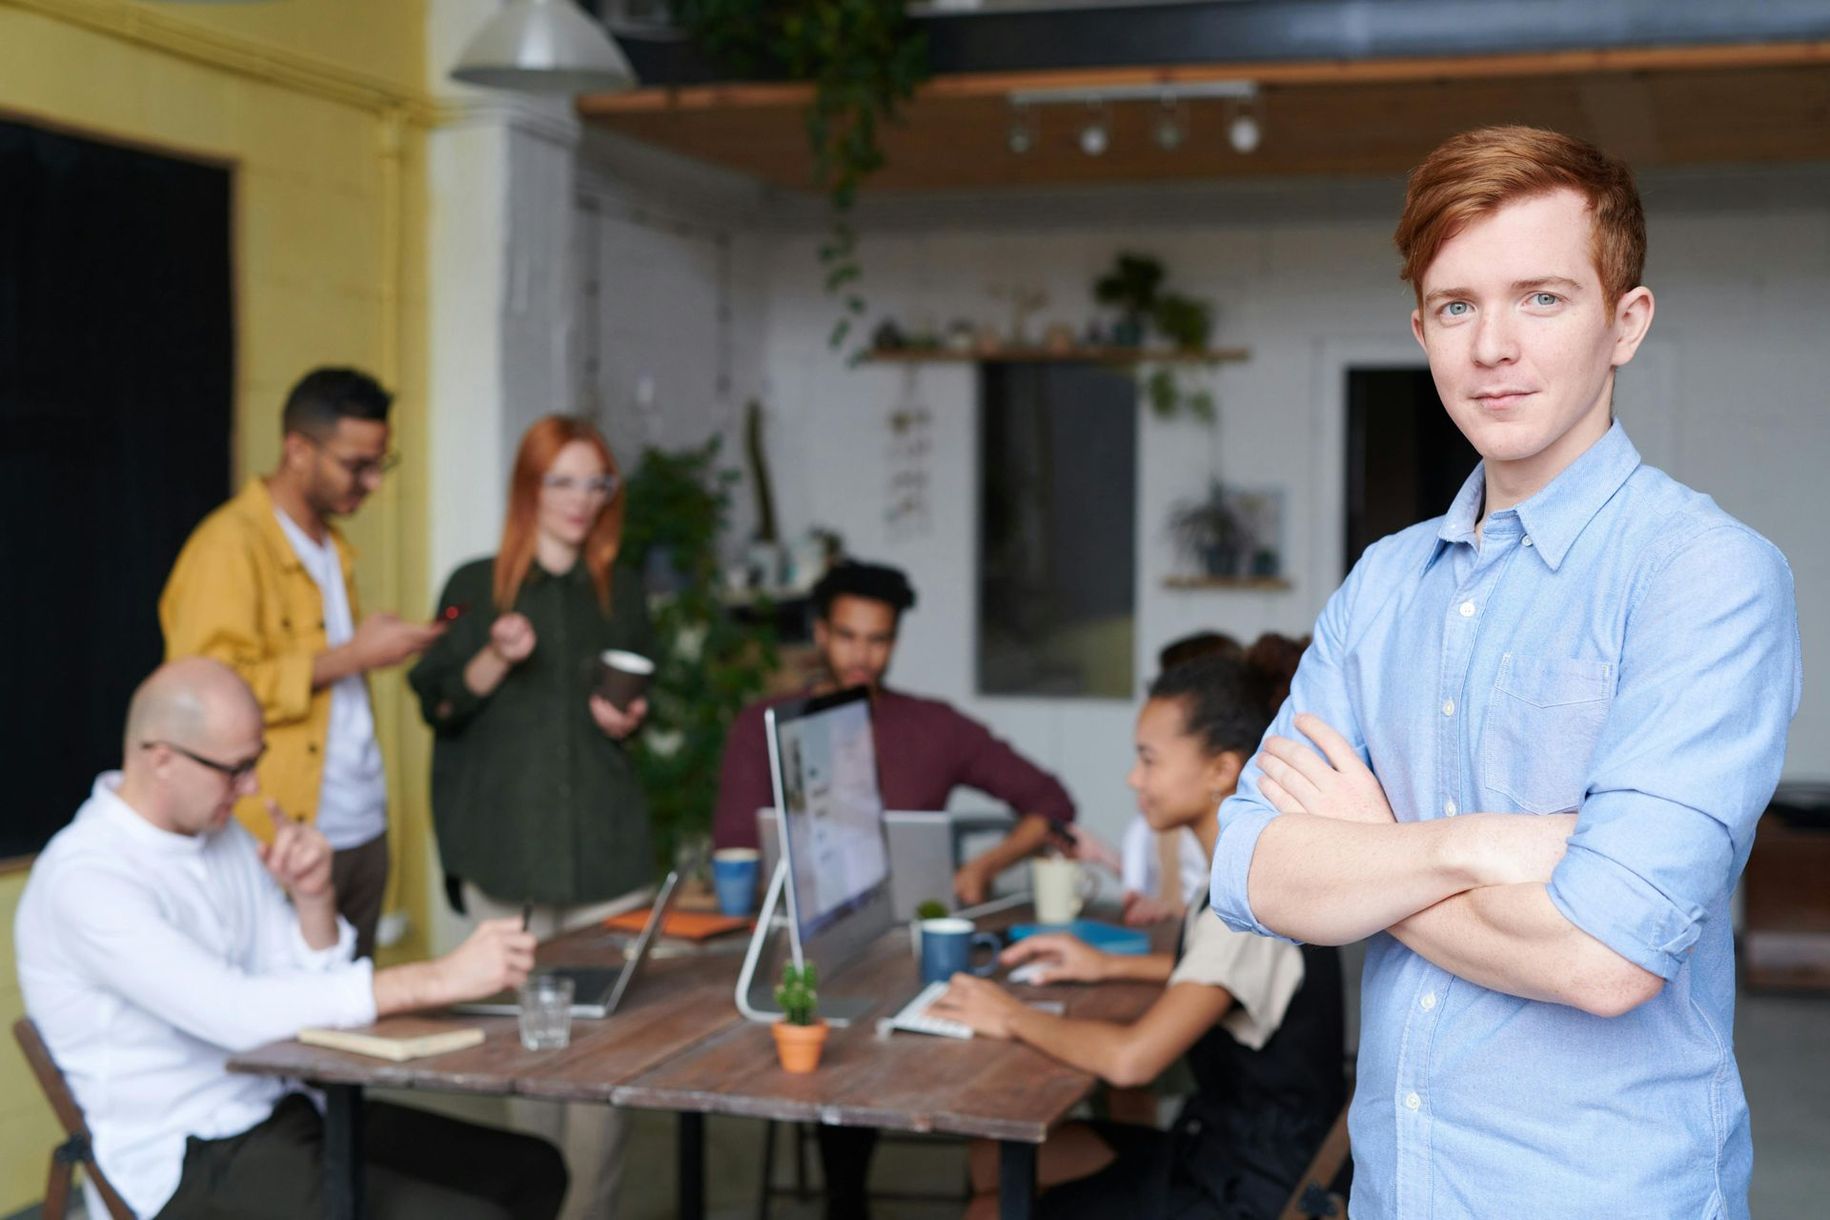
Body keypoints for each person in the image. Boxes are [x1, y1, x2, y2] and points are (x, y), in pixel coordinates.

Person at [1210, 126, 1802, 1218]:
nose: (1493, 346)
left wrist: (1372, 866)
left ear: (1625, 323)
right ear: (1422, 331)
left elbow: (1602, 958)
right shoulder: (1385, 584)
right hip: (1397, 1190)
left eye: (1542, 298)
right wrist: (1474, 844)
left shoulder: (1706, 576)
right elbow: (1250, 868)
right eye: (1455, 305)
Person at [14, 658, 566, 1220]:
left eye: (254, 763)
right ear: (162, 761)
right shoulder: (86, 879)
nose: (252, 786)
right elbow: (237, 1013)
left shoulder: (220, 836)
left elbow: (310, 995)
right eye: (236, 768)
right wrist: (437, 978)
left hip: (287, 1105)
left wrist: (313, 900)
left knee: (531, 1170)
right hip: (187, 1155)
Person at [934, 648, 1345, 1219]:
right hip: (1214, 1144)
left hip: (1244, 1187)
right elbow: (1223, 978)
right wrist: (1106, 966)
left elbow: (1133, 1062)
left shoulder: (1253, 900)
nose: (1134, 778)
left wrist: (1009, 1015)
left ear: (1221, 770)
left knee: (996, 1203)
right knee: (990, 1163)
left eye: (1149, 760)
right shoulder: (1242, 869)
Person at [409, 415, 652, 1220]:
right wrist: (496, 656)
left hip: (602, 859)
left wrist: (629, 717)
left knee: (601, 1078)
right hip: (504, 852)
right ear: (529, 488)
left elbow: (639, 703)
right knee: (531, 1064)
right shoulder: (474, 587)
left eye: (596, 482)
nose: (581, 500)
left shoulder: (616, 592)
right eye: (563, 481)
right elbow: (438, 702)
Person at [160, 367, 443, 957]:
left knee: (349, 1017)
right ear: (297, 450)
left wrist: (369, 648)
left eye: (379, 465)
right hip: (283, 833)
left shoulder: (332, 546)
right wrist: (352, 656)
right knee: (289, 1025)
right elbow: (202, 699)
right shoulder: (229, 545)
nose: (370, 483)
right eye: (356, 465)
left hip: (360, 822)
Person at [713, 559, 1076, 906]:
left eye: (877, 640)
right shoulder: (763, 724)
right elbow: (736, 851)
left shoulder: (936, 726)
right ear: (821, 634)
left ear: (894, 642)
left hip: (905, 928)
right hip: (797, 934)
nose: (861, 656)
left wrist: (984, 867)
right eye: (847, 637)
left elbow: (1051, 800)